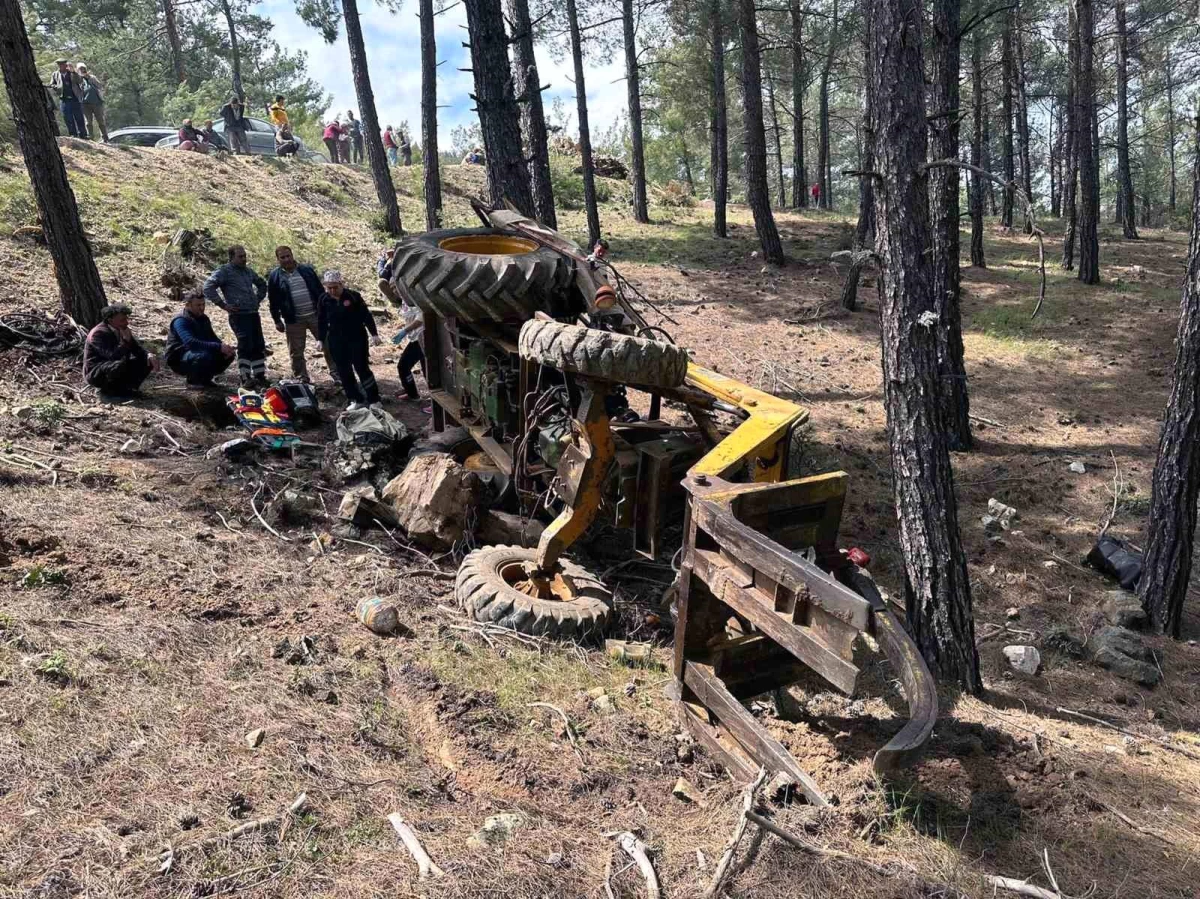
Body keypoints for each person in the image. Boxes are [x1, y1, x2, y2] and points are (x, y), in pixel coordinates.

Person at [267, 246, 338, 384]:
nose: (286, 259)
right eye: (283, 257)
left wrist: (328, 311)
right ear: (278, 259)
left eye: (288, 256)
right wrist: (276, 320)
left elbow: (320, 291)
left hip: (316, 316)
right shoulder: (275, 276)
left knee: (329, 344)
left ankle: (337, 373)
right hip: (293, 319)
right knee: (296, 352)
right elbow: (273, 300)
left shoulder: (306, 270)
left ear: (292, 255)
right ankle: (302, 378)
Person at [203, 245, 269, 387]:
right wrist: (223, 305)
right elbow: (208, 286)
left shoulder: (248, 272)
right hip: (238, 315)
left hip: (253, 313)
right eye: (240, 256)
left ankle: (259, 376)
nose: (244, 259)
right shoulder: (224, 271)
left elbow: (262, 284)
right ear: (231, 257)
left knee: (258, 344)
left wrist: (257, 298)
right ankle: (245, 377)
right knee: (245, 345)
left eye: (245, 256)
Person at [318, 271, 381, 409]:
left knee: (362, 367)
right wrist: (320, 339)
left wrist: (374, 334)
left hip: (356, 337)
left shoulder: (353, 296)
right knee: (343, 370)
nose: (332, 290)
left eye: (335, 287)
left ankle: (374, 399)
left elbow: (366, 315)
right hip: (336, 339)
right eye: (329, 288)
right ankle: (355, 399)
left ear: (341, 284)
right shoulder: (324, 299)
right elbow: (321, 320)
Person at [163, 291, 236, 389]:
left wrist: (225, 347)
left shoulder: (204, 318)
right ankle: (193, 381)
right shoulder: (181, 320)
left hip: (196, 352)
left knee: (228, 354)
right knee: (203, 355)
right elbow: (190, 343)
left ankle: (205, 379)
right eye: (198, 305)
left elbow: (212, 338)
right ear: (188, 305)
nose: (202, 308)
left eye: (203, 304)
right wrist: (218, 347)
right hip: (178, 358)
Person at [83, 304, 158, 396]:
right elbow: (112, 355)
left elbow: (136, 349)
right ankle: (108, 392)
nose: (127, 323)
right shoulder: (98, 333)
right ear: (110, 320)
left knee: (146, 360)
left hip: (114, 365)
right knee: (118, 365)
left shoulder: (121, 329)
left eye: (126, 319)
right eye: (122, 320)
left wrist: (148, 355)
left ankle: (128, 389)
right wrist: (126, 341)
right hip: (96, 372)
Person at [393, 299, 426, 403]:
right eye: (393, 287)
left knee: (405, 366)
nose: (395, 290)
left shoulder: (415, 296)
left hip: (422, 338)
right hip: (414, 338)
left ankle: (415, 395)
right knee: (405, 367)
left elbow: (421, 318)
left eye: (395, 287)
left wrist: (405, 330)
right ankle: (411, 392)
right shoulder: (404, 300)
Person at [50, 59, 86, 138]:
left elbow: (80, 81)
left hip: (74, 98)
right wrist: (57, 87)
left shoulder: (72, 73)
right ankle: (73, 134)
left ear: (66, 65)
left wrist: (73, 72)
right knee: (67, 118)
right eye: (59, 64)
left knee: (79, 117)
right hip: (64, 99)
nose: (61, 66)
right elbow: (52, 84)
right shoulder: (55, 74)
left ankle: (83, 134)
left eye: (63, 64)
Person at [75, 64, 108, 142]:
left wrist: (89, 78)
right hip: (85, 104)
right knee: (88, 122)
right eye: (80, 69)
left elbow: (99, 86)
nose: (82, 70)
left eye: (83, 69)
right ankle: (91, 138)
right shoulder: (78, 80)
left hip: (97, 103)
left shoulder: (92, 77)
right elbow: (76, 90)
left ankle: (105, 138)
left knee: (101, 121)